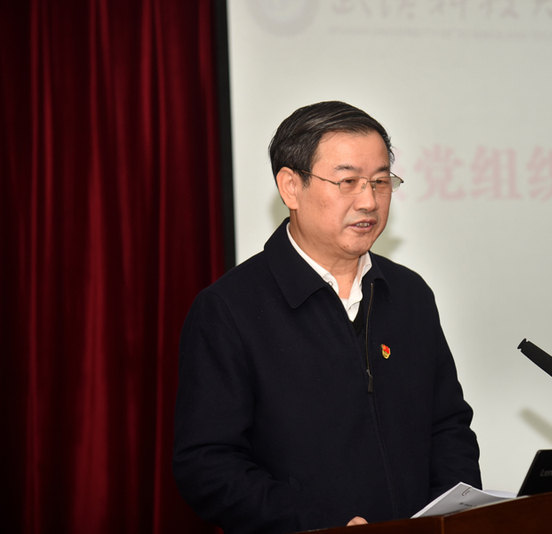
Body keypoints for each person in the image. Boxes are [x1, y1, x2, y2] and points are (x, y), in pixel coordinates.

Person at [173, 101, 481, 534]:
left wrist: (450, 516)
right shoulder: (229, 309)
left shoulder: (409, 294)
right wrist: (319, 523)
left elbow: (448, 426)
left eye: (380, 182)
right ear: (290, 187)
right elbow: (207, 465)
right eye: (348, 182)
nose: (369, 201)